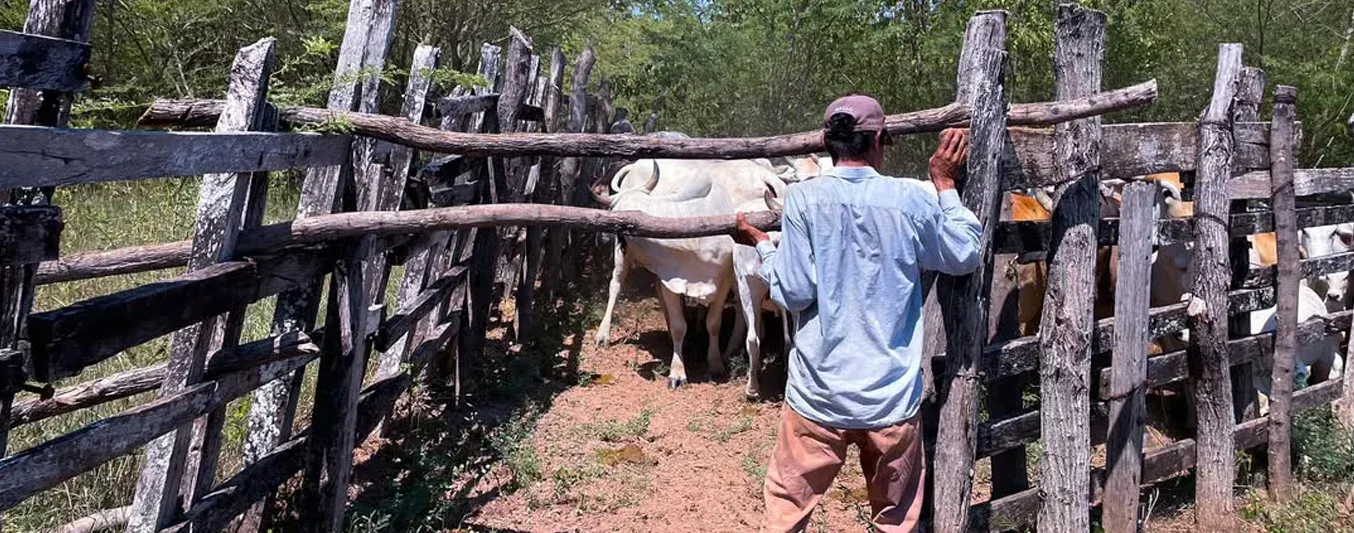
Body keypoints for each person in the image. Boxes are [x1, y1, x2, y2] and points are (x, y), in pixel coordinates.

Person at [731, 94, 981, 532]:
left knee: (786, 512)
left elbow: (792, 291)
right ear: (880, 138)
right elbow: (964, 253)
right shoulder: (909, 199)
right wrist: (945, 186)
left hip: (818, 394)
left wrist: (765, 247)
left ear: (827, 142)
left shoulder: (804, 200)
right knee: (896, 519)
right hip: (890, 399)